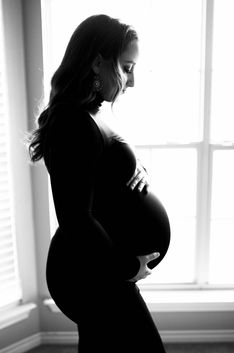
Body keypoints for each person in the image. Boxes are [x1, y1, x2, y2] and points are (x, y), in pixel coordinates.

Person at [28, 14, 170, 353]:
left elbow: (102, 170)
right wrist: (126, 267)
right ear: (96, 62)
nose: (131, 81)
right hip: (90, 270)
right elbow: (75, 217)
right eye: (126, 67)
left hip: (99, 266)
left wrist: (140, 172)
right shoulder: (71, 122)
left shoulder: (90, 111)